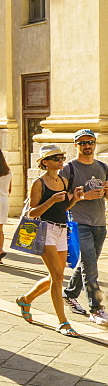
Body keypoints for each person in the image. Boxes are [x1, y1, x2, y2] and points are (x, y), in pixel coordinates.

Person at [17, 145, 85, 337]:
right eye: (56, 158)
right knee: (57, 277)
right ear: (45, 162)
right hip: (45, 230)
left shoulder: (63, 181)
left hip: (62, 230)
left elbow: (63, 209)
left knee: (57, 276)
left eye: (62, 157)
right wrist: (51, 201)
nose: (60, 160)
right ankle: (63, 322)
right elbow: (32, 212)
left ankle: (26, 298)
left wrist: (75, 200)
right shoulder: (38, 183)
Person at [61, 129, 108, 326]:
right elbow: (60, 200)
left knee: (86, 264)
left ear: (95, 143)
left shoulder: (104, 167)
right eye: (82, 143)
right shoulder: (69, 169)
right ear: (76, 145)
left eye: (90, 142)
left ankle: (70, 293)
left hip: (100, 223)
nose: (87, 146)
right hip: (79, 223)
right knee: (91, 267)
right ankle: (96, 309)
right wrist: (81, 196)